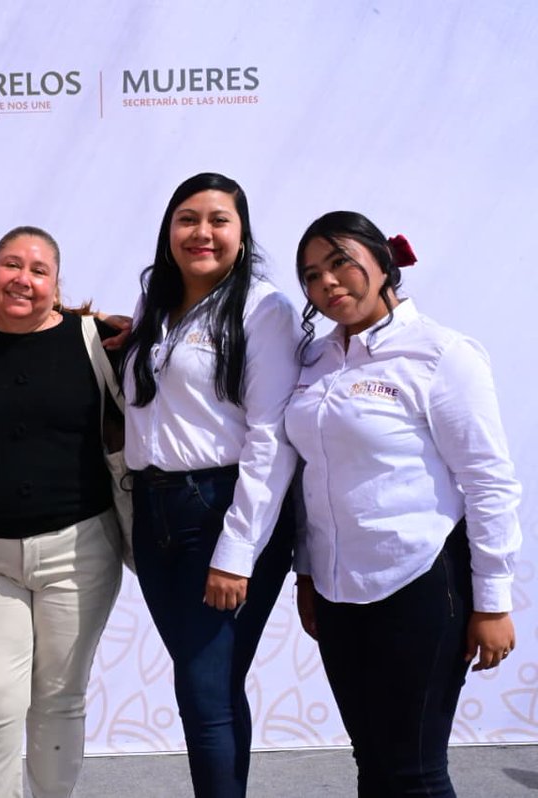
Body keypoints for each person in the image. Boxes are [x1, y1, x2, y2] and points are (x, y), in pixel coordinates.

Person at [286, 211, 522, 797]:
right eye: (312, 276)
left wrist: (493, 603)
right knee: (374, 764)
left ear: (384, 263)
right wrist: (309, 577)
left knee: (415, 770)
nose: (328, 283)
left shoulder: (441, 354)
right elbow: (311, 479)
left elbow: (489, 482)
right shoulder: (314, 360)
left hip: (420, 585)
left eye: (341, 262)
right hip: (339, 597)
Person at [120, 173, 298, 797]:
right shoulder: (154, 303)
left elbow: (271, 439)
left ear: (243, 233)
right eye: (187, 218)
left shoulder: (264, 309)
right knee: (212, 688)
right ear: (168, 230)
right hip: (155, 511)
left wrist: (236, 551)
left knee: (202, 692)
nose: (202, 233)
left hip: (222, 513)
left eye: (219, 219)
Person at [0, 226, 124, 798]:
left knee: (58, 698)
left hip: (80, 553)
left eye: (38, 269)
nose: (23, 279)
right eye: (10, 264)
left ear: (56, 283)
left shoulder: (96, 341)